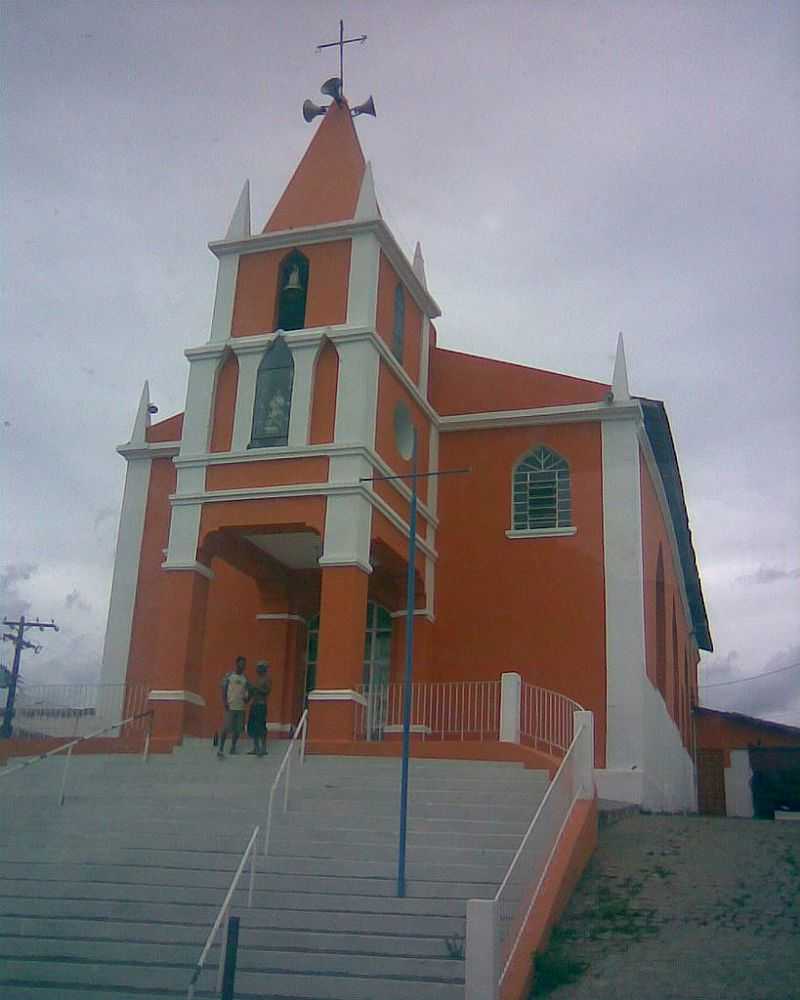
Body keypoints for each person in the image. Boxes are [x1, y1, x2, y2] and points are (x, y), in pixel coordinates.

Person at [218, 656, 248, 759]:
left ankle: (233, 747)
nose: (242, 666)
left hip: (240, 708)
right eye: (241, 663)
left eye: (244, 664)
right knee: (226, 728)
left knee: (237, 729)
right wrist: (225, 701)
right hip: (230, 706)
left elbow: (245, 693)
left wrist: (246, 698)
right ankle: (221, 748)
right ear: (236, 664)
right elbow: (223, 688)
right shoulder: (229, 676)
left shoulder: (244, 679)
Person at [246, 661, 272, 757]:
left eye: (260, 668)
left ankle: (263, 748)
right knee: (254, 726)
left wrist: (255, 688)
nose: (258, 670)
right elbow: (252, 692)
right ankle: (256, 747)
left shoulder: (267, 680)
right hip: (254, 704)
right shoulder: (256, 680)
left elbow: (266, 691)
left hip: (261, 705)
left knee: (261, 726)